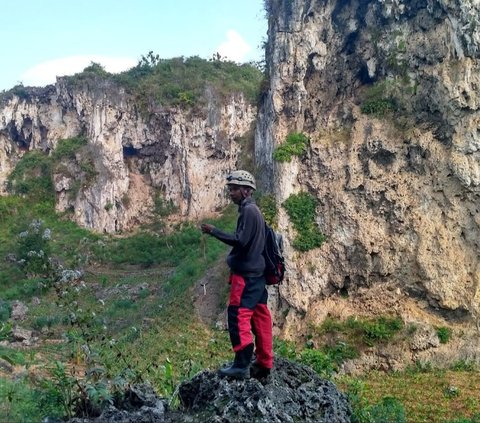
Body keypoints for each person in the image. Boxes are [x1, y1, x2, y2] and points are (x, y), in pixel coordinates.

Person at [201, 170, 273, 379]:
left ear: (246, 191)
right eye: (230, 189)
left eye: (234, 189)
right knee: (260, 315)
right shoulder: (253, 211)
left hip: (247, 275)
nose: (230, 193)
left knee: (238, 314)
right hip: (257, 274)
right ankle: (264, 363)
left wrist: (213, 231)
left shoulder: (249, 211)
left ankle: (241, 365)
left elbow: (240, 241)